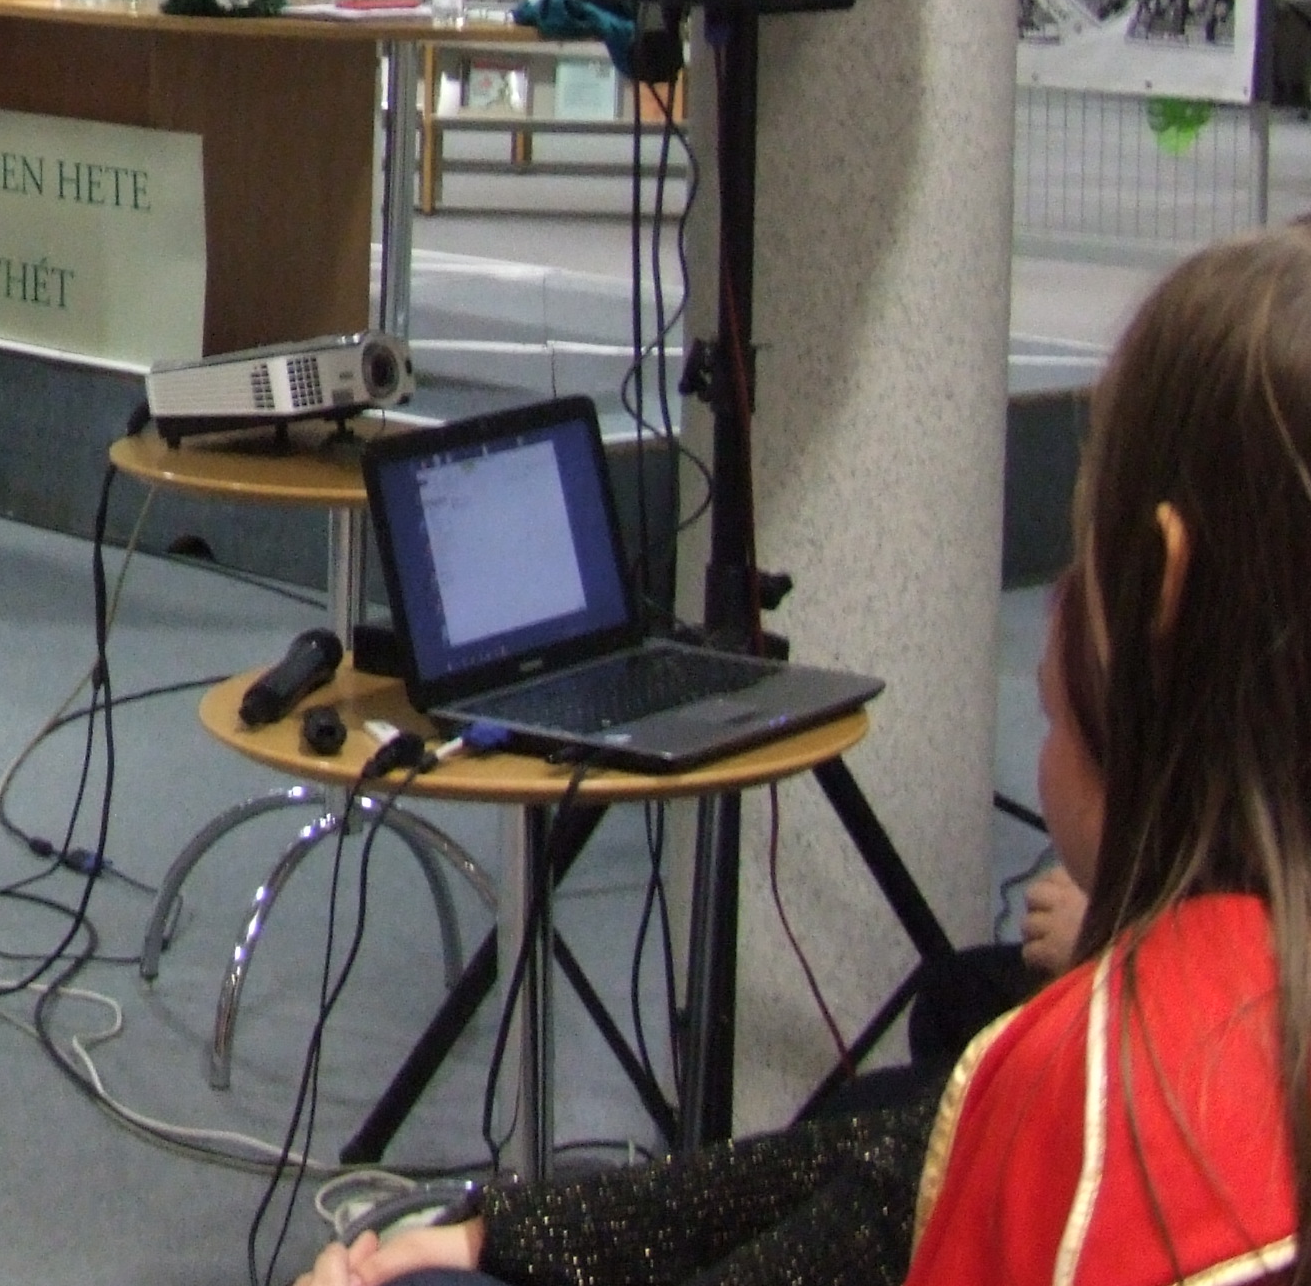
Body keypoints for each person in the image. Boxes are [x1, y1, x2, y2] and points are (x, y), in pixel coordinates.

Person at [310, 223, 1311, 1286]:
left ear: (1160, 590)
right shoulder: (1234, 1014)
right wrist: (502, 1230)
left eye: (1084, 547)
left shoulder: (1086, 1108)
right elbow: (890, 1164)